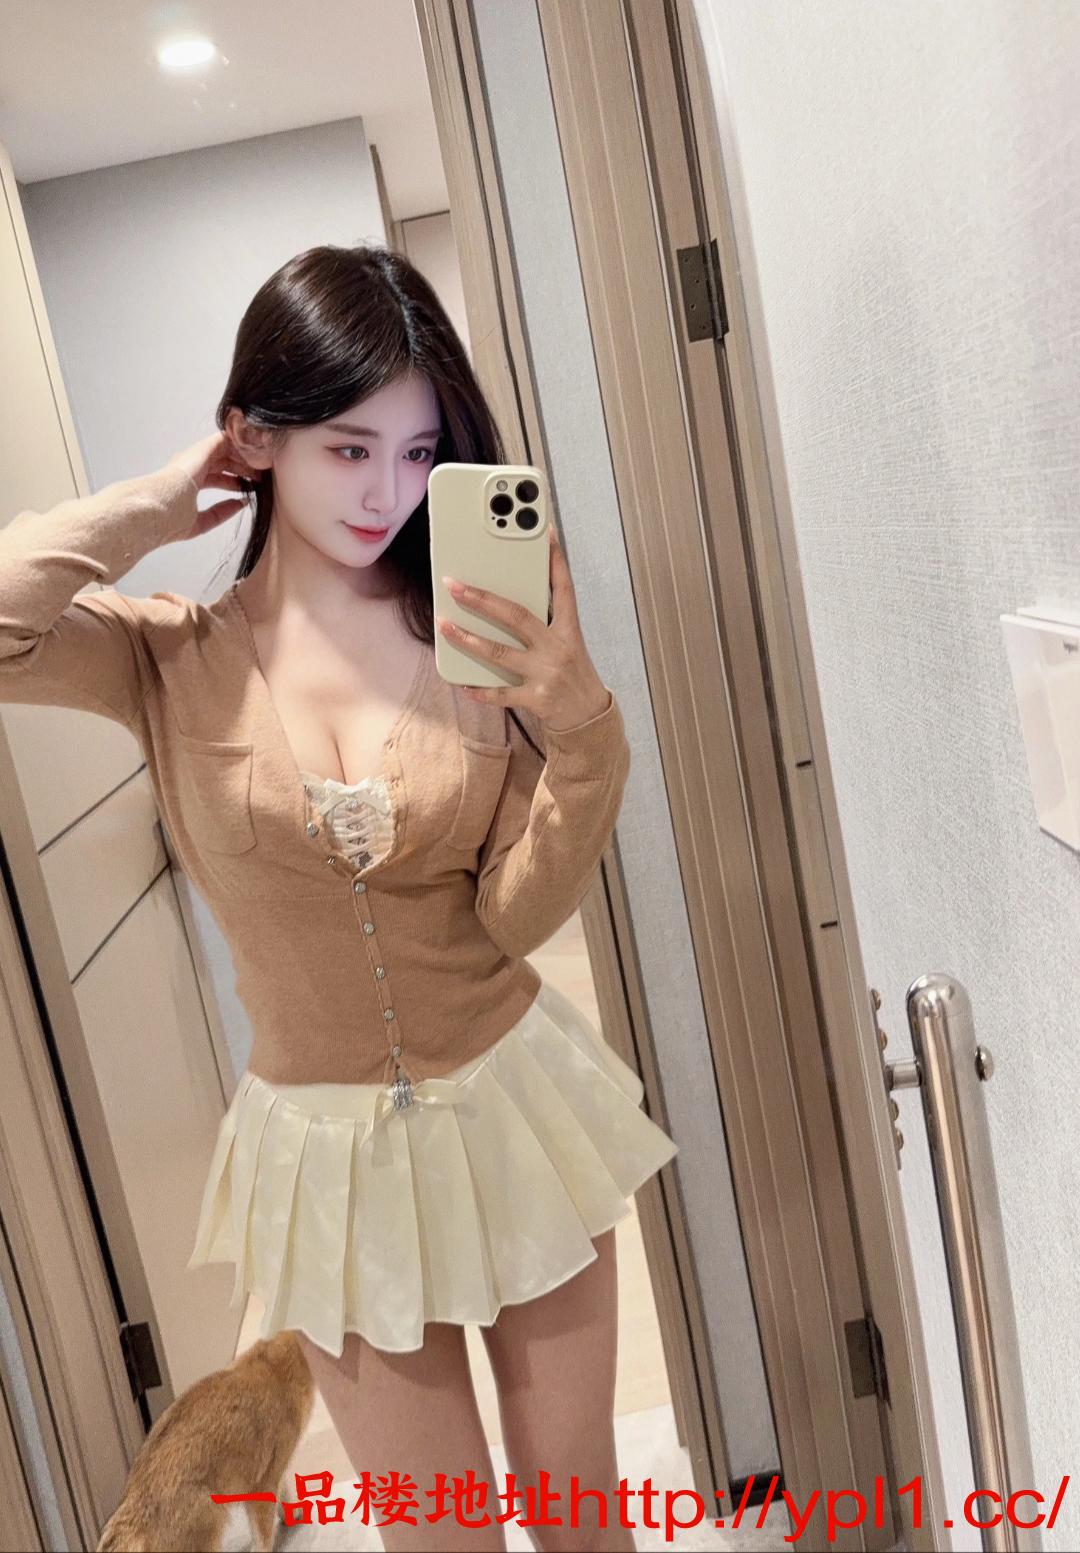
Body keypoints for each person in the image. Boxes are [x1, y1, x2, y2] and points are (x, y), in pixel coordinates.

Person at [0, 242, 678, 1553]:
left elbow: (512, 917)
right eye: (348, 447)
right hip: (326, 1163)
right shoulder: (165, 658)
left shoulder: (472, 634)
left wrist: (581, 730)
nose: (388, 491)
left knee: (577, 1515)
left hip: (514, 1108)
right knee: (441, 1536)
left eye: (419, 453)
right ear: (260, 440)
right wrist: (159, 499)